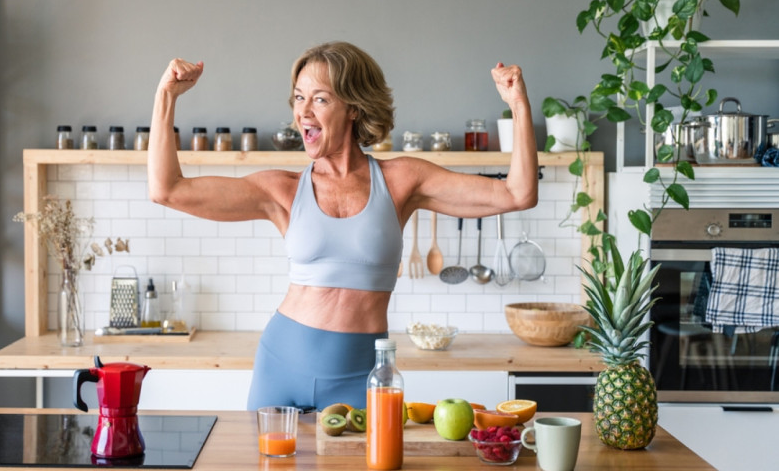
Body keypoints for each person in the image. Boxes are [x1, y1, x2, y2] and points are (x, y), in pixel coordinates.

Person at [148, 41, 538, 411]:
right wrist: (166, 97)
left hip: (361, 377)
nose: (304, 112)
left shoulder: (402, 180)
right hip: (281, 365)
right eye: (299, 98)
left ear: (353, 107)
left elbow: (518, 194)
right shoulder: (282, 190)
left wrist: (518, 105)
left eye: (320, 98)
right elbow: (167, 190)